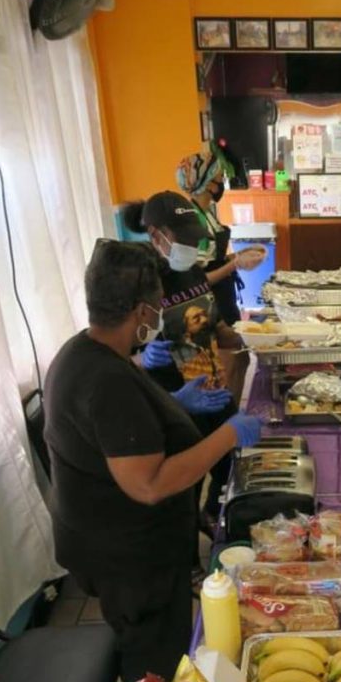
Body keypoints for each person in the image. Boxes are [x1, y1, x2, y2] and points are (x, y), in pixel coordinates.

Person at [43, 240, 262, 682]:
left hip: (112, 544)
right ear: (143, 312)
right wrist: (227, 435)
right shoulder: (105, 380)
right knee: (154, 663)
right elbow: (150, 484)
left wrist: (174, 404)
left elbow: (124, 424)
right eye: (158, 302)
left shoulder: (85, 350)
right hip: (130, 559)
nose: (161, 312)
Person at [122, 192, 246, 535]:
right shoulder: (138, 280)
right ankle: (188, 559)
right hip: (172, 400)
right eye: (184, 239)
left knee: (227, 461)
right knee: (184, 486)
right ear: (156, 234)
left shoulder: (190, 270)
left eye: (194, 238)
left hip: (211, 383)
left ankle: (210, 516)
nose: (191, 246)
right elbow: (112, 360)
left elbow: (214, 322)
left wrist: (246, 335)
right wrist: (141, 359)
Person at [176, 143, 267, 326]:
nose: (223, 180)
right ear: (208, 183)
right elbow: (200, 279)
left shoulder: (207, 212)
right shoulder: (195, 221)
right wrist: (235, 264)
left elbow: (212, 260)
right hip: (211, 302)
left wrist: (241, 254)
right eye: (220, 177)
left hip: (224, 294)